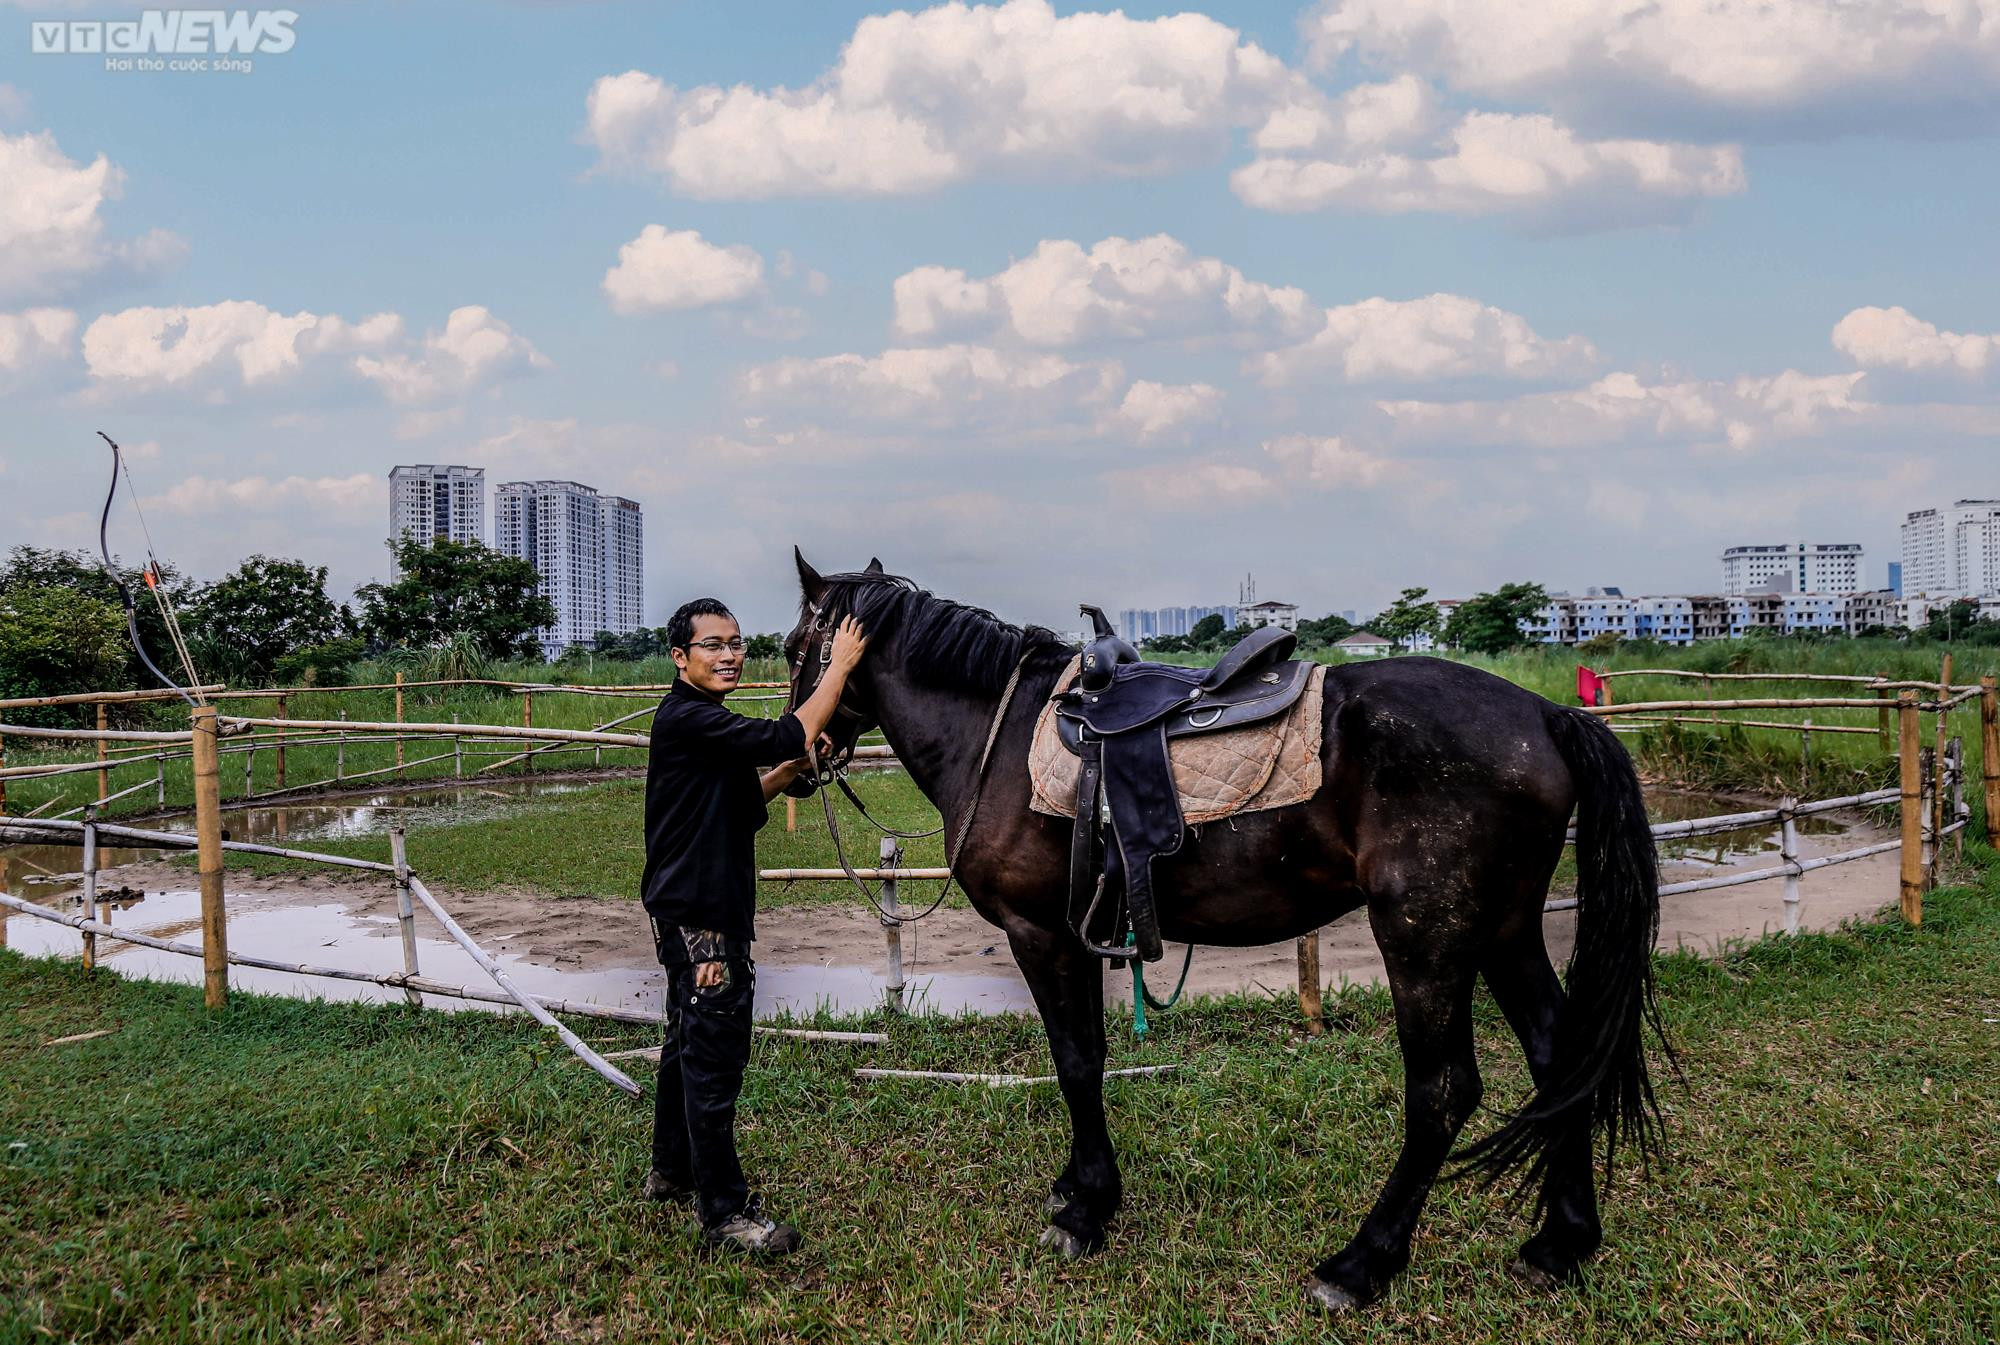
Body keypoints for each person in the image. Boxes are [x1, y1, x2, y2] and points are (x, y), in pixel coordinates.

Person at [639, 596, 866, 1255]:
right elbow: (787, 731)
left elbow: (740, 804)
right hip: (705, 920)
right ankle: (725, 1214)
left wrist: (785, 775)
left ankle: (672, 1171)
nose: (729, 654)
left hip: (689, 910)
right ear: (680, 657)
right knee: (713, 1061)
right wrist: (840, 666)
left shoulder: (702, 721)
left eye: (735, 642)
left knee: (686, 1048)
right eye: (712, 644)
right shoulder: (688, 717)